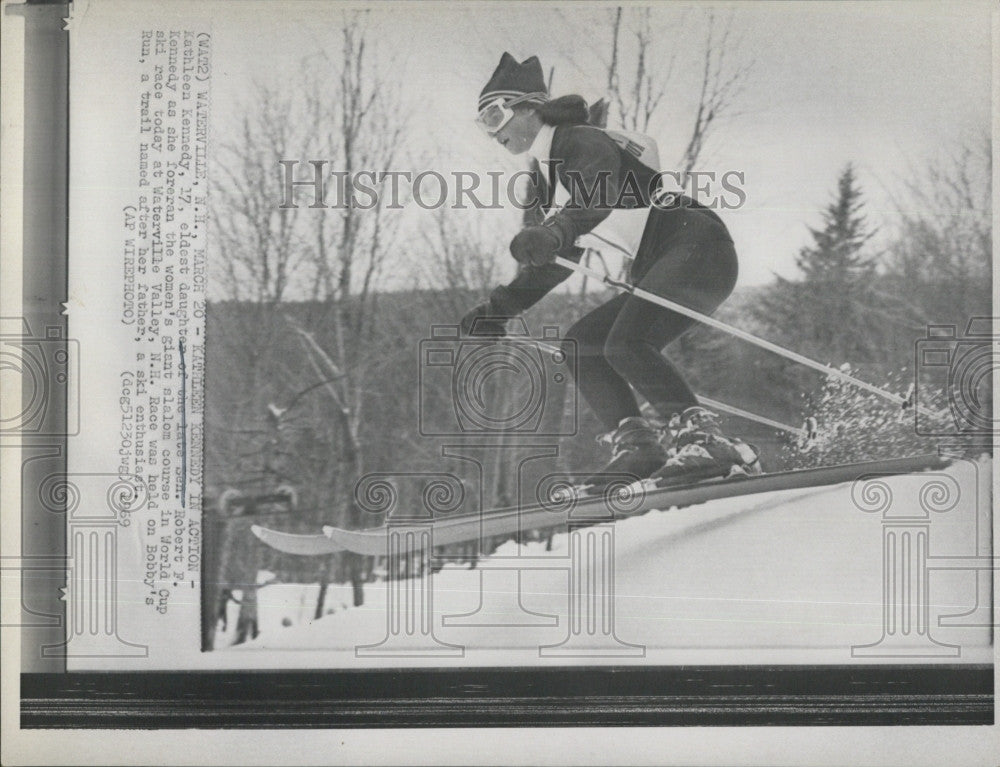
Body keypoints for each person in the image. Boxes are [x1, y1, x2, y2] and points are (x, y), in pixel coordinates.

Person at [462, 52, 753, 485]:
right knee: (582, 344)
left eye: (495, 115)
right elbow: (557, 261)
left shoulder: (579, 140)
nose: (494, 133)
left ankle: (705, 441)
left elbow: (596, 198)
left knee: (626, 341)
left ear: (529, 107)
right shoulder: (545, 180)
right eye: (483, 123)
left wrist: (553, 232)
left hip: (696, 245)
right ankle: (640, 448)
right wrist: (499, 309)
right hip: (663, 262)